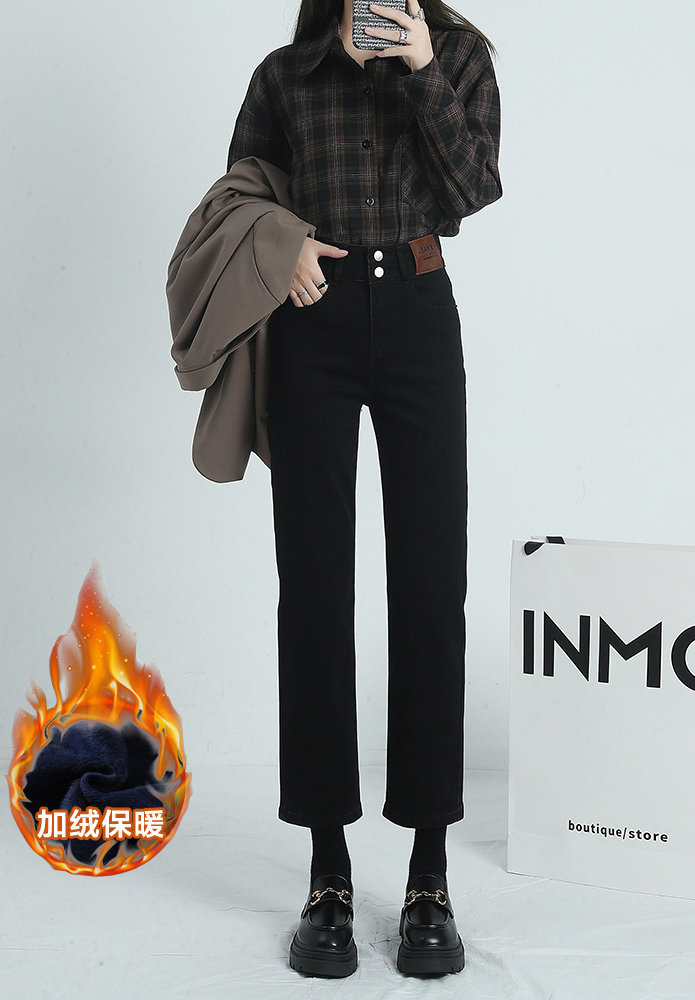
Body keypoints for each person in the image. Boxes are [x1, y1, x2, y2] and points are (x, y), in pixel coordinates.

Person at [226, 0, 501, 977]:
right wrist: (283, 245)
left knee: (429, 587)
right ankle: (327, 871)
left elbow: (474, 189)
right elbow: (239, 195)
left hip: (420, 312)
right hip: (313, 327)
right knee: (313, 591)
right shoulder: (286, 74)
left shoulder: (460, 55)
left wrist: (424, 67)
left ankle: (429, 871)